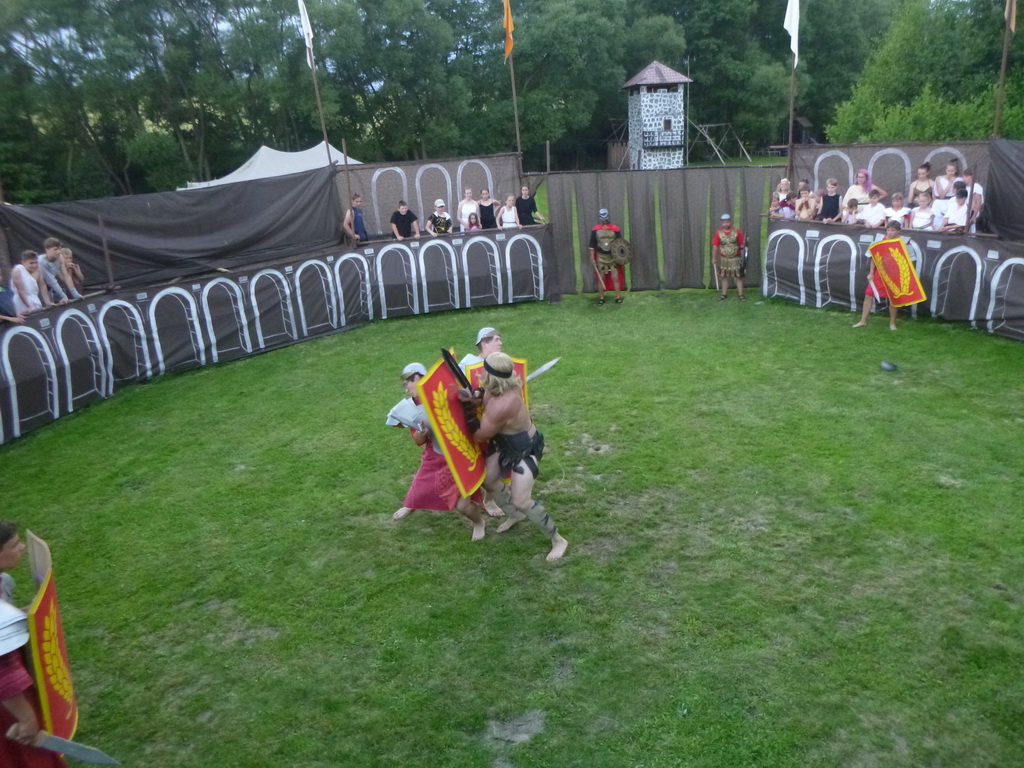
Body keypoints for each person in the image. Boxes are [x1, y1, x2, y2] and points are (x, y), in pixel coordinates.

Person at [458, 353, 568, 561]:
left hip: (524, 450)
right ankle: (514, 514)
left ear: (491, 376)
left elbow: (480, 435)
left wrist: (467, 408)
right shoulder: (498, 389)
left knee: (522, 500)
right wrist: (476, 397)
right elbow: (485, 397)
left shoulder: (503, 404)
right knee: (488, 479)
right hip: (504, 444)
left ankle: (558, 540)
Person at [391, 366, 487, 540]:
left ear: (417, 377)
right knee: (420, 487)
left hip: (462, 453)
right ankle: (411, 504)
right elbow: (419, 440)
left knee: (463, 506)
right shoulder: (412, 407)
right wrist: (421, 433)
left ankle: (479, 522)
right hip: (435, 454)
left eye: (407, 384)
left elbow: (471, 411)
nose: (406, 390)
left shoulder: (446, 391)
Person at [0, 521, 64, 768]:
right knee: (24, 756)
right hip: (9, 703)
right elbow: (4, 673)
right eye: (14, 545)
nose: (22, 548)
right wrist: (26, 718)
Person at [853, 221, 903, 330]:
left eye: (893, 230)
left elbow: (909, 261)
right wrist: (871, 272)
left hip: (895, 275)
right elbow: (874, 257)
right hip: (879, 273)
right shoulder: (880, 241)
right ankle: (863, 321)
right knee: (868, 295)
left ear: (898, 231)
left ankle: (892, 323)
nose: (890, 232)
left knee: (894, 299)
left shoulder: (904, 243)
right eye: (888, 230)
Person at [589, 208, 625, 305]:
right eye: (602, 216)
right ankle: (601, 298)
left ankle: (618, 297)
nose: (604, 219)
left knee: (615, 278)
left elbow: (620, 243)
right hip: (601, 257)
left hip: (612, 256)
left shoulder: (615, 229)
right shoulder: (596, 230)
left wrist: (620, 256)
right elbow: (592, 244)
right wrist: (592, 257)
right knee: (601, 278)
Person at [712, 213, 746, 301]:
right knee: (723, 277)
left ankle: (741, 294)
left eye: (727, 222)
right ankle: (724, 294)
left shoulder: (737, 232)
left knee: (738, 277)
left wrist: (743, 258)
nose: (725, 224)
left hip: (735, 258)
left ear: (730, 222)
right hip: (724, 259)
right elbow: (715, 246)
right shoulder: (718, 233)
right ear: (721, 223)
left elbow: (742, 245)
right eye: (724, 222)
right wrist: (714, 258)